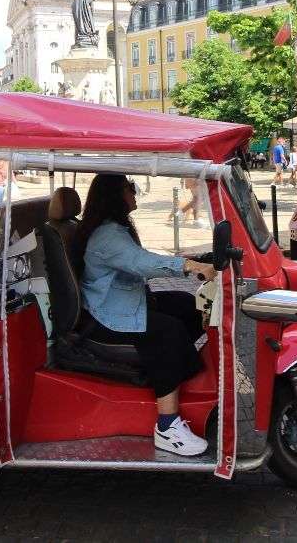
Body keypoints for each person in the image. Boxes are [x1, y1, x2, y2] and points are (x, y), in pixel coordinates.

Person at [73, 174, 217, 456]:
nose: (135, 193)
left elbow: (139, 259)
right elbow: (142, 263)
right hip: (109, 315)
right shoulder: (108, 235)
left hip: (123, 301)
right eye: (130, 188)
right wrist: (187, 265)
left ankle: (168, 375)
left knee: (189, 305)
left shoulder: (113, 229)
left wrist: (193, 259)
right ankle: (167, 425)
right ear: (115, 195)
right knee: (169, 332)